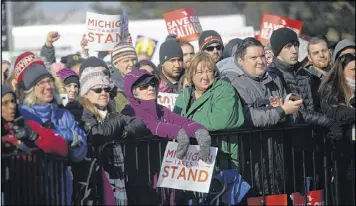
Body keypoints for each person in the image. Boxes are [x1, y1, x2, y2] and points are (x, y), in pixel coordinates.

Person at [13, 51, 87, 204]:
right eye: (41, 83)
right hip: (29, 190)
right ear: (30, 88)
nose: (48, 87)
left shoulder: (63, 115)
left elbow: (80, 153)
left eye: (50, 81)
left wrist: (73, 140)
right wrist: (63, 136)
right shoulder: (22, 113)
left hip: (60, 189)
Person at [79, 66, 150, 205]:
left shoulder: (113, 111)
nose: (104, 93)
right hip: (95, 174)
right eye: (98, 90)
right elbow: (97, 133)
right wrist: (120, 122)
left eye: (106, 89)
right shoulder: (84, 113)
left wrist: (124, 132)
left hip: (117, 172)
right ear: (86, 94)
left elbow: (141, 124)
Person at [174, 52, 245, 168]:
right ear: (191, 74)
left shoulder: (224, 89)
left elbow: (221, 120)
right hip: (190, 158)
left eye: (209, 71)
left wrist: (187, 124)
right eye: (200, 72)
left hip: (221, 158)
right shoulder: (184, 94)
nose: (205, 77)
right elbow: (174, 120)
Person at [124, 69, 212, 160]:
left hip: (162, 164)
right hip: (140, 165)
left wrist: (199, 130)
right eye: (144, 86)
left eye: (153, 84)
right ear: (133, 92)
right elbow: (150, 125)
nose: (151, 88)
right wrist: (177, 132)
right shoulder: (129, 111)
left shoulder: (161, 109)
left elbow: (181, 121)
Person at [217, 37, 302, 128]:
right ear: (240, 61)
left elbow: (295, 114)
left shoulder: (275, 78)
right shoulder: (232, 82)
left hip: (278, 140)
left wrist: (283, 115)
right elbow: (245, 117)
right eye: (254, 58)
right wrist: (281, 111)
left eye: (262, 56)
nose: (261, 61)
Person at [268, 28, 334, 127]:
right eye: (288, 46)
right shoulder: (273, 75)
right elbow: (294, 111)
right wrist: (326, 121)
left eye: (296, 45)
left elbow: (314, 106)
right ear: (278, 50)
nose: (294, 51)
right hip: (287, 136)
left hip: (310, 134)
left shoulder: (305, 73)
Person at [319, 53, 355, 205]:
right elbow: (336, 112)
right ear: (342, 70)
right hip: (343, 149)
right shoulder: (332, 88)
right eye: (353, 69)